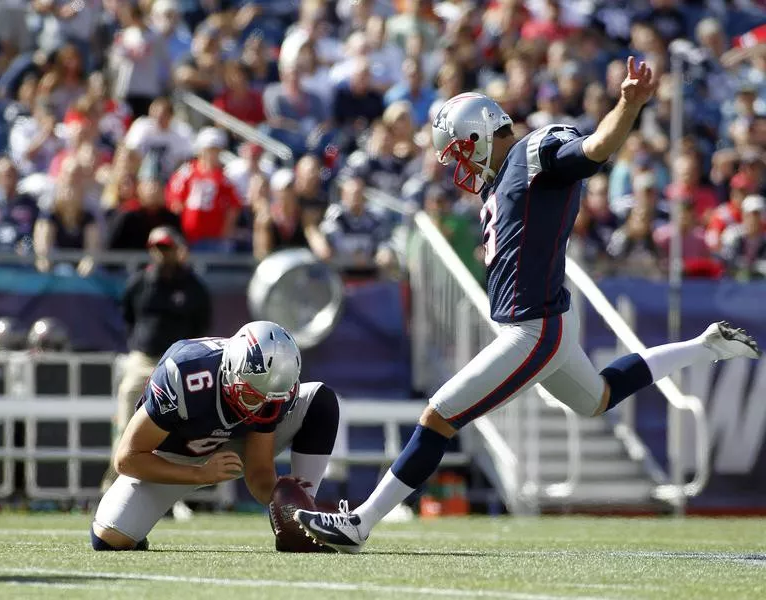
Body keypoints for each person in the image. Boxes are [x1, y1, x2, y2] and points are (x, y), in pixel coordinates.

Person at [294, 59, 762, 553]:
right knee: (598, 397)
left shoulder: (535, 150)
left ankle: (360, 524)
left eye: (458, 153)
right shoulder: (504, 178)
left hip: (534, 328)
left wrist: (628, 103)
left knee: (439, 416)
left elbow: (595, 150)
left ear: (475, 136)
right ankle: (704, 344)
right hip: (544, 321)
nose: (458, 167)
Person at [91, 320, 340, 551]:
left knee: (320, 401)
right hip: (172, 456)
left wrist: (287, 503)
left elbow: (258, 473)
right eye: (253, 396)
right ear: (231, 374)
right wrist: (200, 474)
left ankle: (304, 522)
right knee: (110, 537)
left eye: (271, 400)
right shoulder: (186, 373)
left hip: (234, 444)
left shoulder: (270, 393)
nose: (260, 406)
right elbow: (127, 458)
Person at [100, 226, 211, 492]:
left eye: (166, 248)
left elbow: (201, 325)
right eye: (156, 248)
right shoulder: (139, 283)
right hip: (144, 358)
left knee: (179, 429)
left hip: (178, 365)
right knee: (127, 415)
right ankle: (111, 488)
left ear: (178, 250)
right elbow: (128, 317)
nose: (161, 254)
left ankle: (177, 493)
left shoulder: (193, 287)